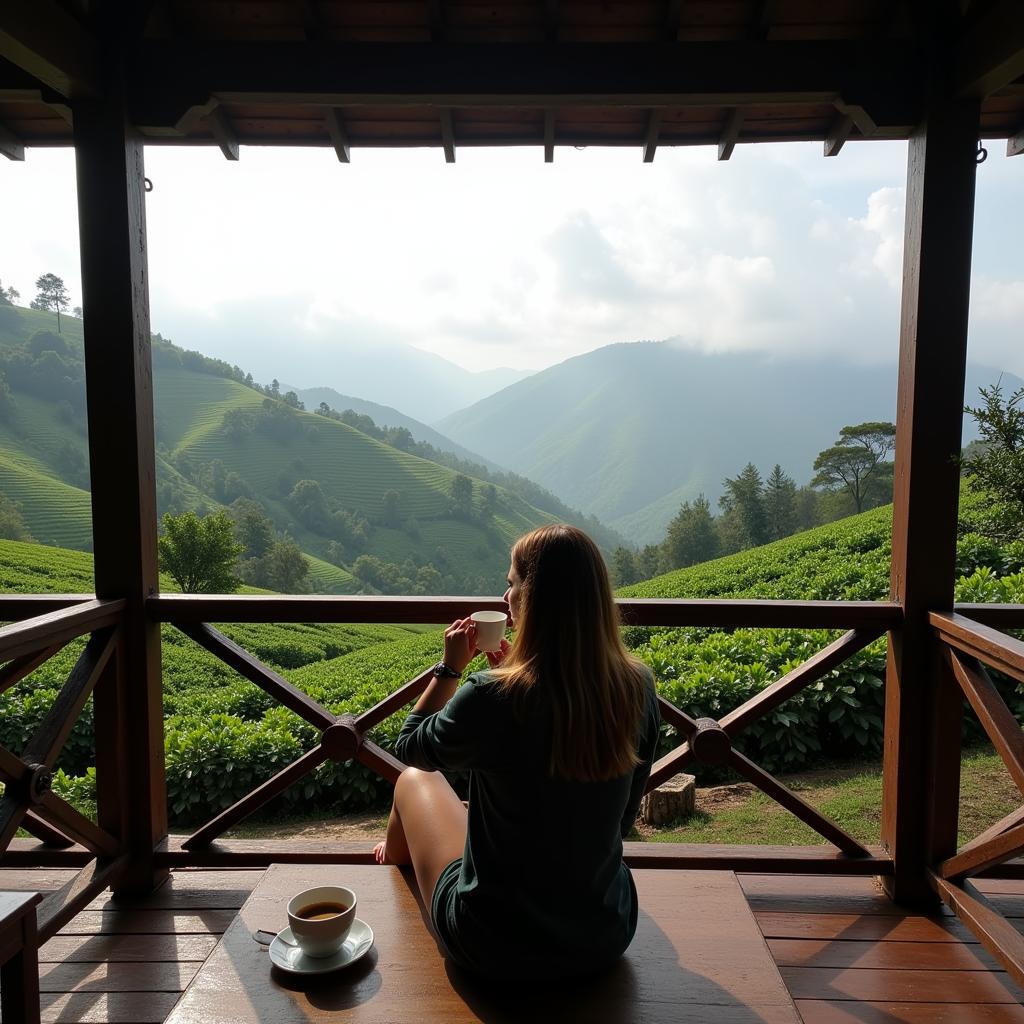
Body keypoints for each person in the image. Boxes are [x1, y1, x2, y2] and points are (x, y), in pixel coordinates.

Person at [373, 524, 660, 980]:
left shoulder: (491, 696)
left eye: (510, 584)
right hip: (602, 937)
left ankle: (394, 856)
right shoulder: (637, 687)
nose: (505, 597)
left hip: (490, 944)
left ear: (533, 596)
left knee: (415, 782)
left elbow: (411, 748)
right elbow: (622, 818)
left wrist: (449, 669)